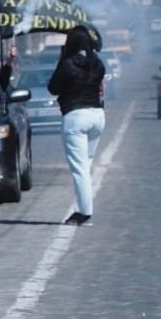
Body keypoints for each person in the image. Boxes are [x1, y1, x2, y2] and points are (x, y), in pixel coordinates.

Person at [48, 26, 106, 226]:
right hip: (97, 115)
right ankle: (82, 206)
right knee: (86, 165)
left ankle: (84, 213)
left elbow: (53, 88)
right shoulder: (97, 63)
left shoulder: (68, 63)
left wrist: (62, 59)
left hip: (76, 117)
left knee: (80, 169)